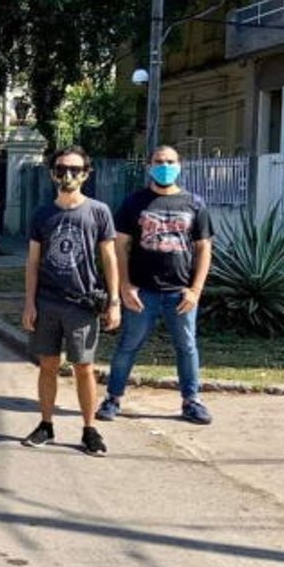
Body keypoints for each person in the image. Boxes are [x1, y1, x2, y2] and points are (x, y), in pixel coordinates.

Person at [97, 146, 214, 425]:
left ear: (180, 165)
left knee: (186, 346)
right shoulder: (134, 203)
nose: (165, 166)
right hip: (142, 292)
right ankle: (113, 398)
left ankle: (191, 401)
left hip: (180, 293)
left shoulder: (194, 204)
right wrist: (125, 286)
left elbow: (204, 249)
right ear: (149, 166)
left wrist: (195, 290)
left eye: (170, 162)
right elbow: (119, 246)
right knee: (128, 345)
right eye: (159, 162)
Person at [19, 146, 119, 456]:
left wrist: (114, 301)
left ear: (86, 174)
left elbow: (109, 258)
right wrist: (29, 303)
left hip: (82, 303)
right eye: (62, 169)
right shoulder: (42, 214)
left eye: (75, 170)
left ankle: (89, 429)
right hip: (47, 301)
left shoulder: (98, 211)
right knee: (47, 365)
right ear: (52, 173)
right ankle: (46, 425)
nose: (68, 175)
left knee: (84, 368)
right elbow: (33, 262)